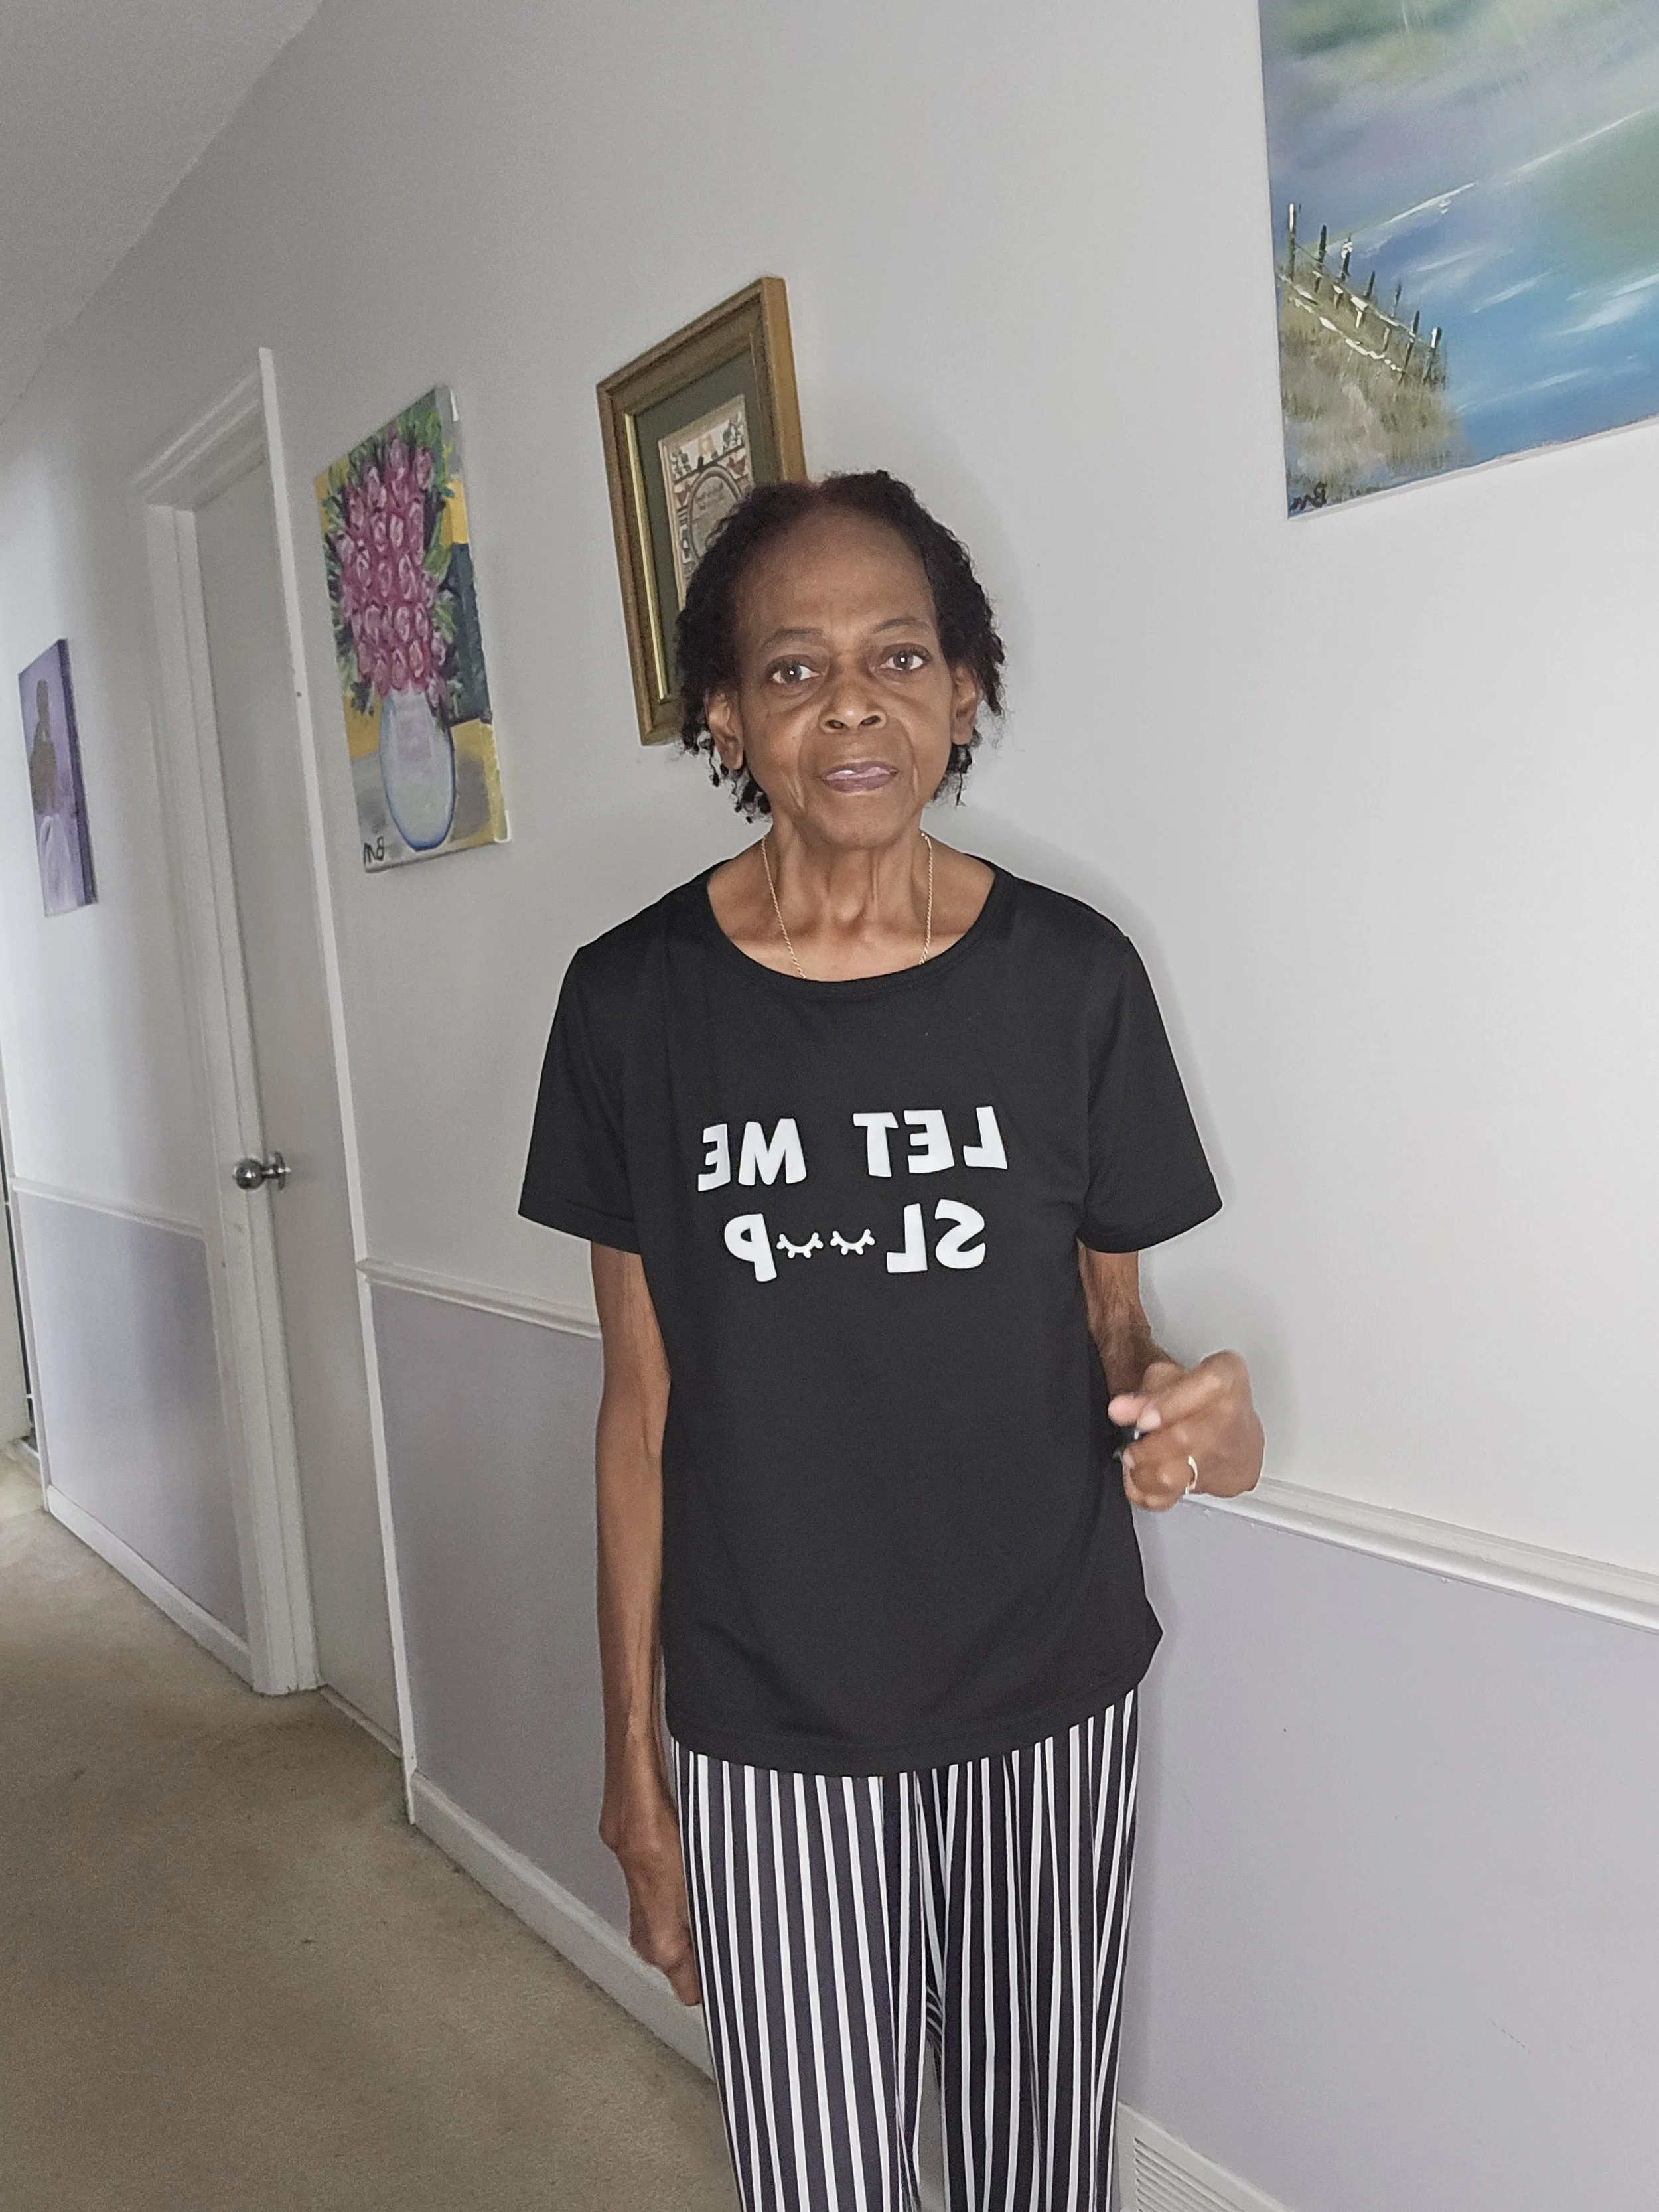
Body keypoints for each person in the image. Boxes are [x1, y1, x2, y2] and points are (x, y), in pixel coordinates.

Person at [520, 472, 1264, 2211]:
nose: (850, 700)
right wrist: (634, 1767)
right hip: (767, 1712)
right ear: (723, 713)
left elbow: (1115, 1330)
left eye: (898, 654)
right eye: (792, 668)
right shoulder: (629, 1005)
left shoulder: (1072, 979)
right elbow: (637, 1414)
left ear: (963, 691)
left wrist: (1198, 1426)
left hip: (1047, 1685)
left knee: (1036, 2164)